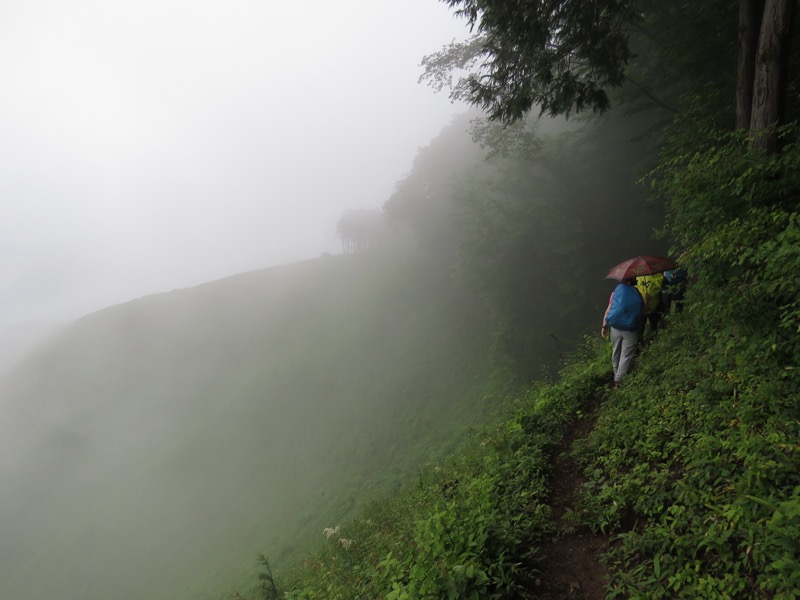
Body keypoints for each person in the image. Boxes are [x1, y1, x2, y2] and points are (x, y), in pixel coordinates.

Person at [601, 278, 644, 387]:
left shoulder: (615, 293)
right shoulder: (637, 293)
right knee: (626, 354)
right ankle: (618, 380)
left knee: (616, 351)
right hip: (631, 329)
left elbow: (609, 309)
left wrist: (604, 326)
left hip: (615, 327)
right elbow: (643, 310)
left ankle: (616, 374)